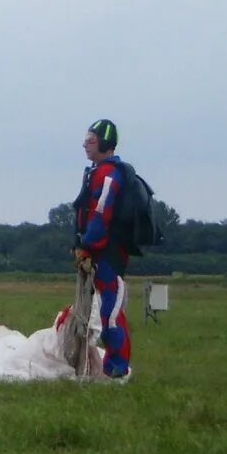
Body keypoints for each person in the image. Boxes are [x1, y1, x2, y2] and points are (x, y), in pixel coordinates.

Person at [72, 118, 133, 380]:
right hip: (99, 254)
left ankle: (117, 370)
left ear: (105, 143)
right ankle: (107, 367)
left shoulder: (108, 174)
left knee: (109, 315)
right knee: (101, 313)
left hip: (108, 256)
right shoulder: (98, 172)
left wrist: (88, 246)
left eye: (91, 139)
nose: (86, 144)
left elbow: (100, 213)